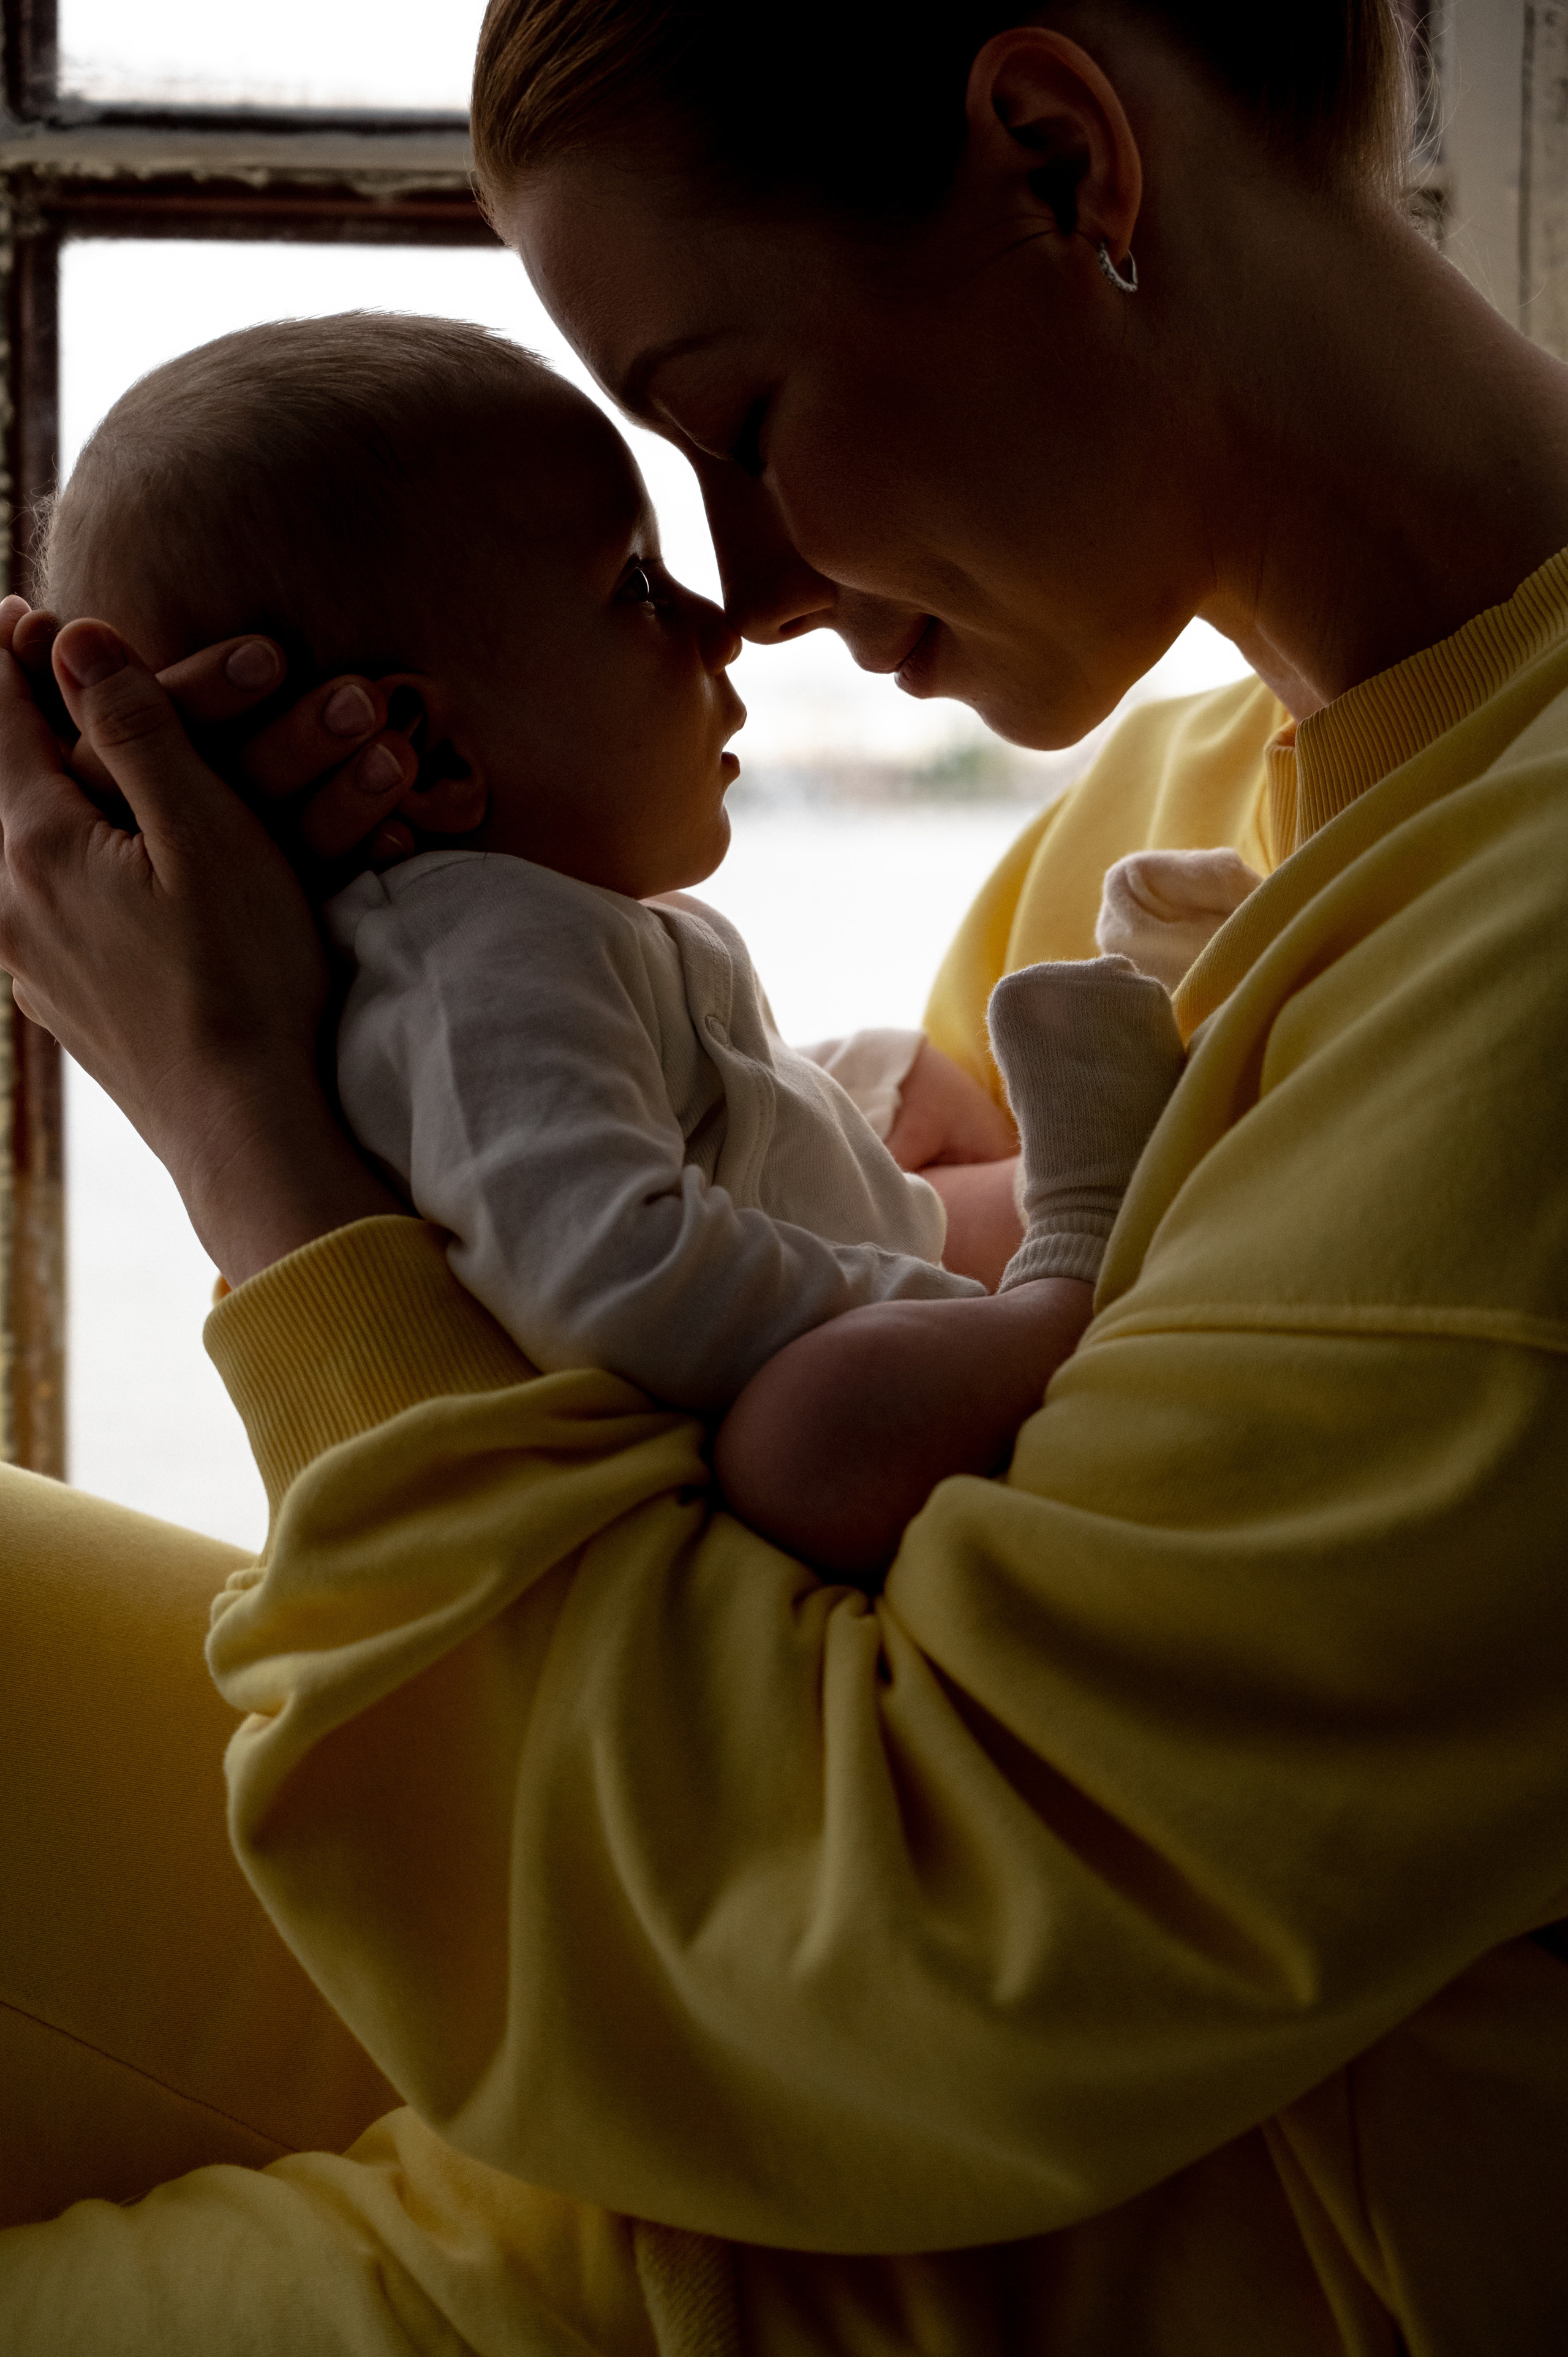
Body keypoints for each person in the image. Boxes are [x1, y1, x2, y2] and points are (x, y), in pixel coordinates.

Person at [3, 2, 1567, 2352]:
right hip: (660, 1942)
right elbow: (744, 1469)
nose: (745, 586)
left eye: (731, 421)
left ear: (1063, 161)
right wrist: (390, 967)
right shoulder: (1176, 798)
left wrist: (252, 1129)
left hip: (981, 2204)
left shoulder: (1523, 956)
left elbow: (891, 1961)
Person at [39, 307, 1189, 1578]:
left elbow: (594, 1128)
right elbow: (608, 1275)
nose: (720, 620)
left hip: (661, 1429)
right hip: (697, 1500)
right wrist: (934, 1310)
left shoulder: (519, 938)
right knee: (817, 1425)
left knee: (872, 1151)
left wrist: (844, 1094)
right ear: (422, 745)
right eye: (635, 585)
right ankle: (1070, 1279)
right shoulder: (487, 956)